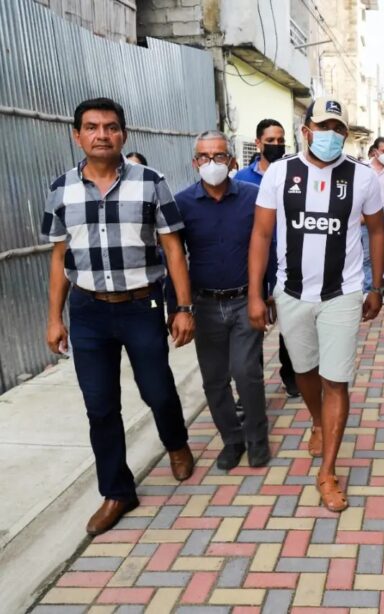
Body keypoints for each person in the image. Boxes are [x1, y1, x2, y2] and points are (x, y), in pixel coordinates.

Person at [41, 98, 195, 536]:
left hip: (141, 305)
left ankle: (176, 442)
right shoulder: (60, 189)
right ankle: (117, 491)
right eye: (92, 127)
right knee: (100, 406)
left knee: (158, 390)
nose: (102, 134)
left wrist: (182, 307)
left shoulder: (150, 183)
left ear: (123, 134)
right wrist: (55, 318)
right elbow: (58, 257)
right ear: (77, 135)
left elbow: (172, 248)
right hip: (88, 311)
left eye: (110, 127)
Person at [247, 97, 384, 512]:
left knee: (336, 380)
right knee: (305, 371)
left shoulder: (362, 178)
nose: (330, 135)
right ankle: (316, 420)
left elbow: (377, 233)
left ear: (345, 134)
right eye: (322, 126)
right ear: (305, 129)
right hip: (291, 293)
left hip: (341, 293)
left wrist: (375, 287)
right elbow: (260, 235)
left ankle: (327, 472)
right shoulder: (280, 173)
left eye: (338, 128)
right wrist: (257, 293)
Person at [170, 131, 270, 471]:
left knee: (246, 373)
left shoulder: (254, 197)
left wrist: (265, 293)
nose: (211, 163)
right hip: (205, 304)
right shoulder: (181, 203)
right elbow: (174, 259)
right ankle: (232, 440)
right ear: (195, 162)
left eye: (219, 156)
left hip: (245, 299)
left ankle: (257, 440)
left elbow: (267, 246)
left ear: (232, 161)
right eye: (204, 157)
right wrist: (178, 308)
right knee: (214, 379)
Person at [235, 119, 300, 398]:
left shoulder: (294, 174)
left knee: (290, 320)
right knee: (254, 321)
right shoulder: (241, 179)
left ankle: (291, 374)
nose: (276, 145)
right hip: (255, 260)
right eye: (270, 140)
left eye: (280, 140)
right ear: (258, 143)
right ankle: (253, 383)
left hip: (287, 259)